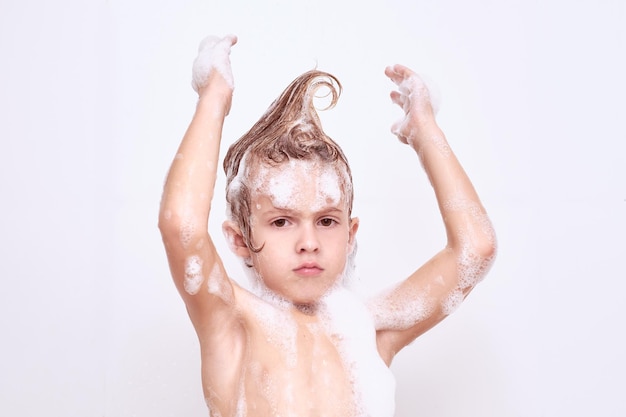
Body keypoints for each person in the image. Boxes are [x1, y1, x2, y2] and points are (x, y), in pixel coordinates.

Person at [159, 34, 496, 417]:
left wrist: (425, 131)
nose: (309, 242)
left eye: (326, 221)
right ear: (240, 239)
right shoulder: (233, 322)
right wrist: (213, 99)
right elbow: (180, 227)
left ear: (350, 234)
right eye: (282, 221)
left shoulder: (367, 331)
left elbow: (476, 249)